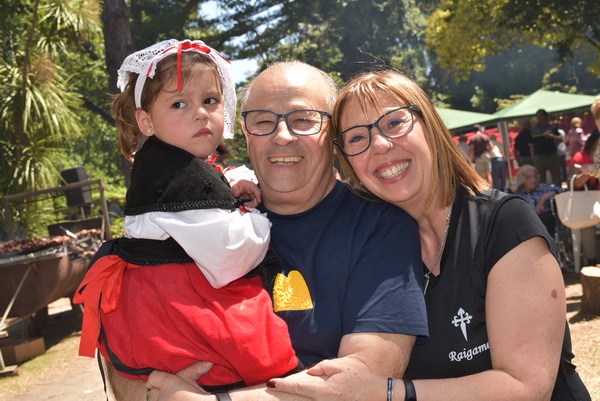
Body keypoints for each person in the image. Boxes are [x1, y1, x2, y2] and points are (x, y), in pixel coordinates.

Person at [106, 61, 428, 401]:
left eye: (303, 120)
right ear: (246, 133)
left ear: (333, 137)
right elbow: (123, 353)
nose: (282, 136)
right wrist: (153, 396)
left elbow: (364, 378)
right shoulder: (196, 219)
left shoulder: (380, 227)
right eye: (262, 121)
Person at [267, 69, 590, 400]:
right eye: (357, 138)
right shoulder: (371, 244)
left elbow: (527, 387)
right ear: (347, 160)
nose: (380, 145)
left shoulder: (504, 223)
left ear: (429, 126)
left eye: (394, 123)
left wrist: (389, 393)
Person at [74, 39, 302, 394]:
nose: (200, 113)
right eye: (179, 104)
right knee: (265, 353)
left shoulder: (167, 166)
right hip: (184, 313)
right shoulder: (181, 178)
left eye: (210, 100)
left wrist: (229, 184)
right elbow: (233, 254)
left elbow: (201, 210)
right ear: (146, 121)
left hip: (157, 309)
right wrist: (259, 215)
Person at [567, 130, 600, 265]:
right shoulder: (580, 157)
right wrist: (591, 171)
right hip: (587, 202)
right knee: (587, 223)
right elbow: (572, 184)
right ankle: (592, 261)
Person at [507, 165, 562, 237]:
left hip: (544, 219)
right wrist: (517, 183)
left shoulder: (541, 187)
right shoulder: (518, 191)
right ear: (522, 179)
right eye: (529, 177)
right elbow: (505, 197)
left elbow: (559, 190)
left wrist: (543, 198)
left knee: (547, 219)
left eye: (535, 176)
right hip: (526, 222)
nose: (533, 180)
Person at [531, 109, 563, 186]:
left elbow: (560, 138)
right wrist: (533, 157)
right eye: (537, 116)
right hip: (539, 156)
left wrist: (551, 136)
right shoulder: (533, 129)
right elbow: (531, 145)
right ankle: (542, 191)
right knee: (540, 179)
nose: (539, 118)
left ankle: (558, 190)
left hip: (552, 155)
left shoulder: (552, 127)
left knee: (556, 177)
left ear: (545, 117)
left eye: (541, 116)